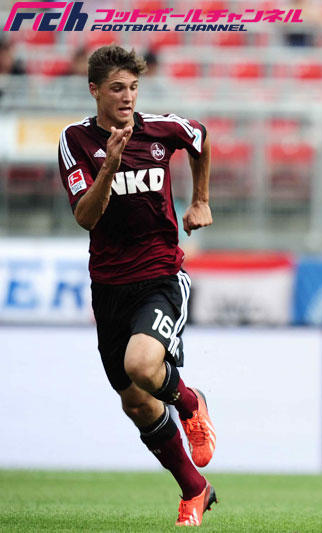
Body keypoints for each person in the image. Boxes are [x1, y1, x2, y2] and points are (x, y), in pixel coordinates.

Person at [57, 44, 217, 527]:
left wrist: (200, 200)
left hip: (160, 275)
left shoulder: (160, 129)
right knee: (137, 403)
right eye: (116, 89)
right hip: (108, 286)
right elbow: (86, 217)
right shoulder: (75, 140)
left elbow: (200, 137)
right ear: (94, 91)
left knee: (143, 365)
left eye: (133, 87)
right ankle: (194, 489)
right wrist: (109, 165)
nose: (127, 97)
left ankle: (190, 403)